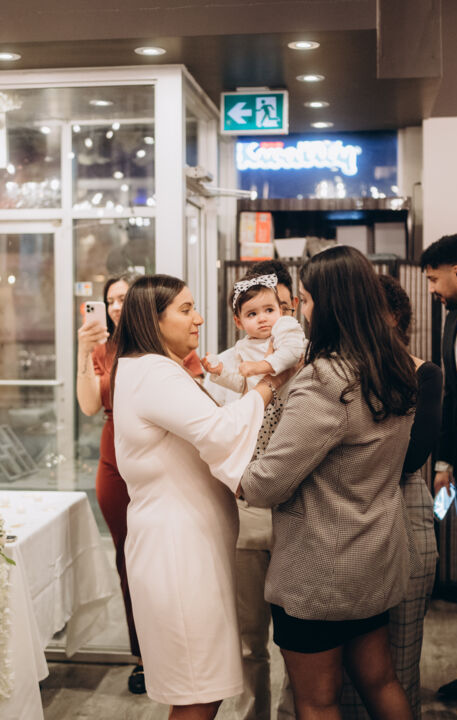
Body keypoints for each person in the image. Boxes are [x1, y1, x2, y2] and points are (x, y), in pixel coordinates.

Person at [240, 246, 418, 720]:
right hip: (373, 556)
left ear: (331, 304)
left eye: (303, 299)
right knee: (381, 681)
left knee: (318, 701)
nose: (298, 311)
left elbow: (268, 483)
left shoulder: (327, 380)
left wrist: (237, 473)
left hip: (319, 571)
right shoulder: (393, 367)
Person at [111, 274, 294, 719]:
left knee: (200, 685)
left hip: (183, 541)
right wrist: (271, 384)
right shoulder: (154, 371)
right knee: (199, 689)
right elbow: (220, 431)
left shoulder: (149, 367)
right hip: (178, 548)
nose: (198, 319)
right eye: (186, 309)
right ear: (153, 320)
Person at [340, 274, 442, 720]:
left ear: (394, 316)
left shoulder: (424, 373)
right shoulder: (339, 372)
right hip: (348, 515)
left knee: (399, 658)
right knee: (345, 666)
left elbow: (413, 455)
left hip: (404, 505)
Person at [204, 259, 302, 720]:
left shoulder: (304, 353)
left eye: (275, 308)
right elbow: (218, 434)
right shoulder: (227, 362)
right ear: (238, 317)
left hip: (299, 507)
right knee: (249, 637)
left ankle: (295, 711)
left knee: (300, 637)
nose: (267, 318)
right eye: (255, 311)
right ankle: (253, 714)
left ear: (289, 307)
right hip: (245, 506)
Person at [76, 272, 145, 694]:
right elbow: (88, 405)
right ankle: (142, 656)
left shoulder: (160, 342)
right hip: (113, 463)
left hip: (155, 459)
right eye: (110, 300)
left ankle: (172, 645)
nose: (116, 306)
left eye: (123, 298)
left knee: (162, 554)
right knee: (127, 560)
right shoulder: (101, 349)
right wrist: (84, 352)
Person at [421, 232, 457, 700]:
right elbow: (452, 396)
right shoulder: (451, 320)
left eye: (434, 279)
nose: (432, 290)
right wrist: (444, 462)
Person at [204, 273, 304, 397]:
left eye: (269, 310)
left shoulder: (284, 326)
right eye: (252, 314)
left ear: (280, 310)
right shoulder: (243, 347)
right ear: (239, 322)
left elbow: (293, 353)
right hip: (261, 405)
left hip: (291, 401)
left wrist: (261, 366)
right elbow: (242, 385)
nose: (262, 318)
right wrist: (221, 372)